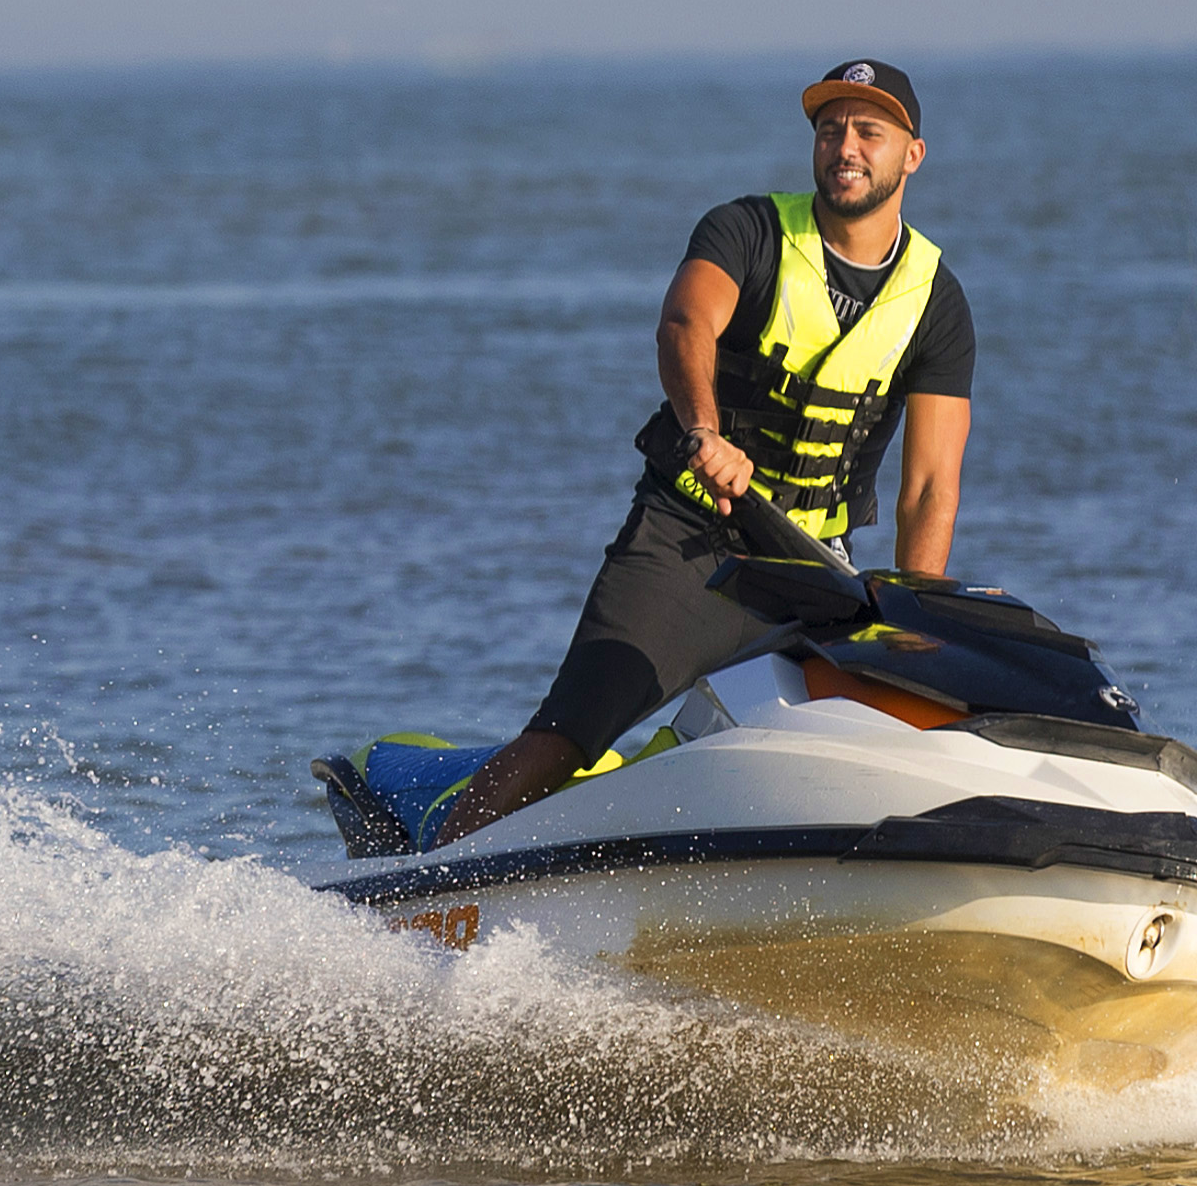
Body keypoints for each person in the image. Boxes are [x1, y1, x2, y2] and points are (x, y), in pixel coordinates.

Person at [407, 58, 975, 848]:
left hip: (813, 573)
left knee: (888, 743)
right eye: (829, 128)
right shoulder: (746, 230)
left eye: (868, 132)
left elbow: (929, 490)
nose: (845, 146)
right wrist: (705, 432)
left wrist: (911, 627)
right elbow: (685, 326)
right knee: (569, 735)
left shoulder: (935, 300)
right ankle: (425, 884)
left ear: (912, 154)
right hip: (691, 541)